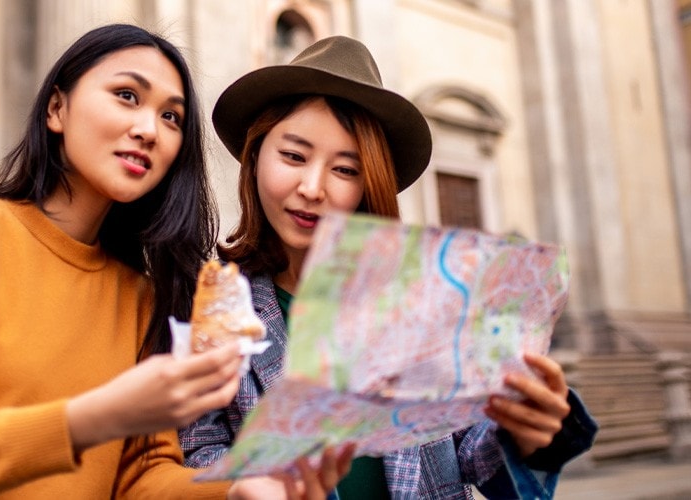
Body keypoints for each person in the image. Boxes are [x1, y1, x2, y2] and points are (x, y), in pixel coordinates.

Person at [0, 23, 350, 499]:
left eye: (171, 117)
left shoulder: (141, 295)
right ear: (56, 108)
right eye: (127, 96)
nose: (148, 130)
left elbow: (141, 479)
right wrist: (96, 418)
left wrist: (237, 486)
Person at [180, 36, 598, 499]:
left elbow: (469, 449)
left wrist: (527, 432)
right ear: (255, 158)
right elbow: (196, 448)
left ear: (369, 185)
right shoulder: (212, 305)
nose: (313, 187)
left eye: (346, 169)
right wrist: (241, 486)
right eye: (294, 156)